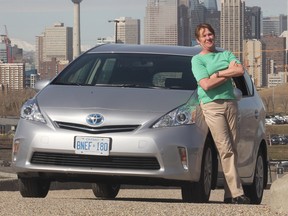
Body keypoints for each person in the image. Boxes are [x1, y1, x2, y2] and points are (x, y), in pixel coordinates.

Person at [191, 23, 250, 204]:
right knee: (225, 148)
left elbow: (240, 70)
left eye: (210, 34)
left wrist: (217, 73)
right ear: (198, 40)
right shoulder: (198, 60)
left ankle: (229, 194)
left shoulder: (225, 54)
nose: (208, 38)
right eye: (204, 36)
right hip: (212, 106)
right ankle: (237, 194)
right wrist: (227, 73)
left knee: (233, 147)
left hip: (231, 104)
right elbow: (206, 85)